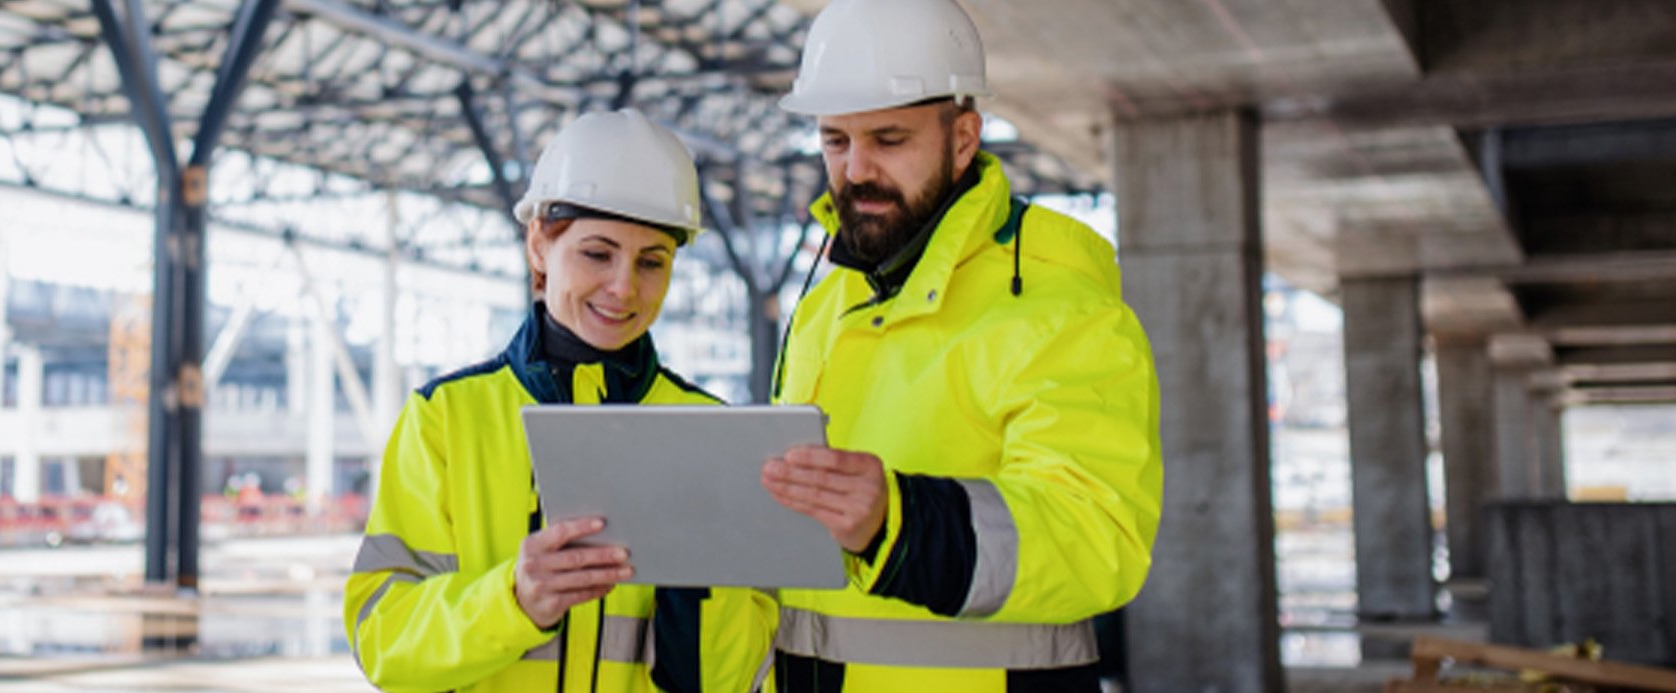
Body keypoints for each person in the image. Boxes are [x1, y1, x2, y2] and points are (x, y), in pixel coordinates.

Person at [755, 0, 1165, 689]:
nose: (856, 170)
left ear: (965, 138)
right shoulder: (824, 308)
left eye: (889, 139)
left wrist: (899, 522)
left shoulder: (1061, 311)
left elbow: (1096, 544)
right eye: (835, 141)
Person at [345, 109, 776, 693]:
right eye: (597, 253)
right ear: (538, 246)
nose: (624, 287)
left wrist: (701, 578)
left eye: (652, 262)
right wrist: (512, 601)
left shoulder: (711, 434)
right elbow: (384, 643)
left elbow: (738, 678)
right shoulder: (446, 419)